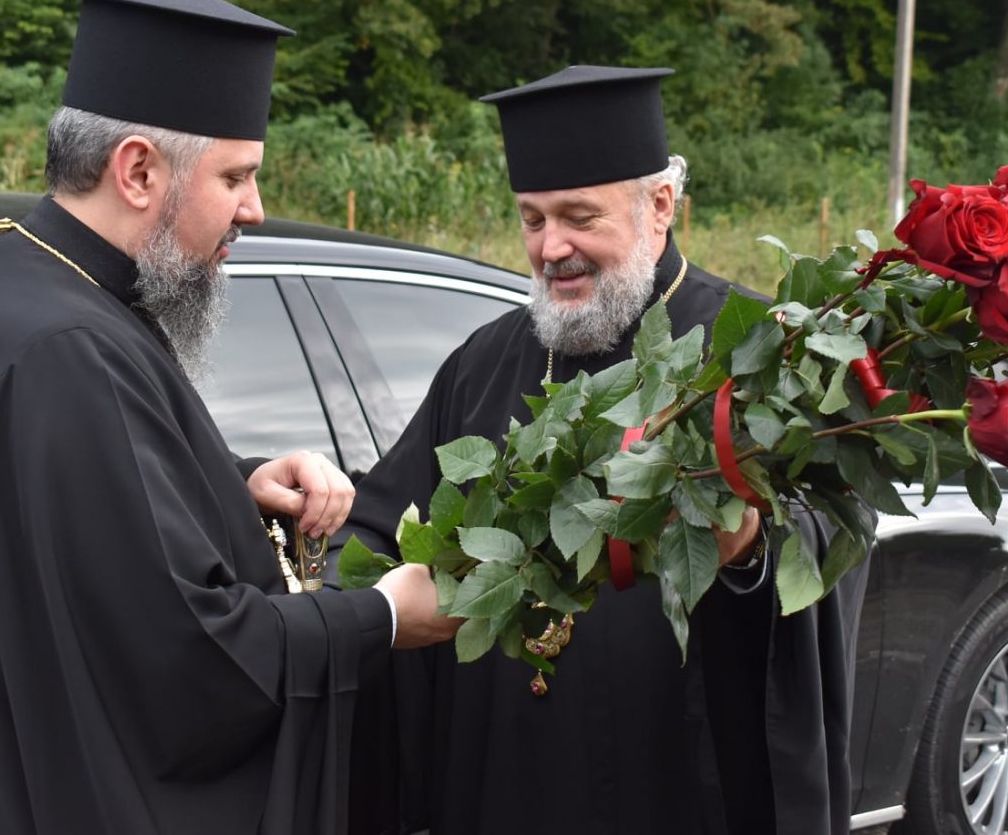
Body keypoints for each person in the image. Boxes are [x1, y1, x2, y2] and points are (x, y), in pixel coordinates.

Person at [0, 0, 458, 835]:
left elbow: (90, 510)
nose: (255, 208)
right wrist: (385, 613)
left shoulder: (22, 275)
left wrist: (231, 483)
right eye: (236, 176)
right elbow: (198, 656)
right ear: (137, 170)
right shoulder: (69, 345)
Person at [342, 65, 870, 835]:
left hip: (675, 782)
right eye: (530, 219)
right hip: (501, 786)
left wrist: (750, 546)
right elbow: (387, 520)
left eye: (577, 216)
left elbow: (837, 528)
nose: (550, 246)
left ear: (659, 206)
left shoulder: (759, 351)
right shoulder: (483, 364)